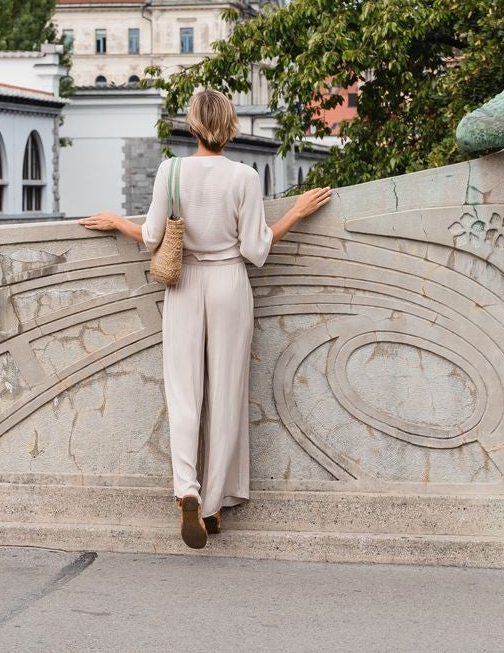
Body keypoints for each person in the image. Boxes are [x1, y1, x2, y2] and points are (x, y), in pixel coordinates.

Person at [80, 87, 332, 550]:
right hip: (230, 284)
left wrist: (117, 222)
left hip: (184, 282)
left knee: (184, 390)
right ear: (230, 125)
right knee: (226, 392)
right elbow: (256, 250)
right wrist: (296, 211)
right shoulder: (243, 177)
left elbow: (154, 235)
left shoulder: (170, 171)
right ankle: (213, 504)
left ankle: (187, 490)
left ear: (192, 124)